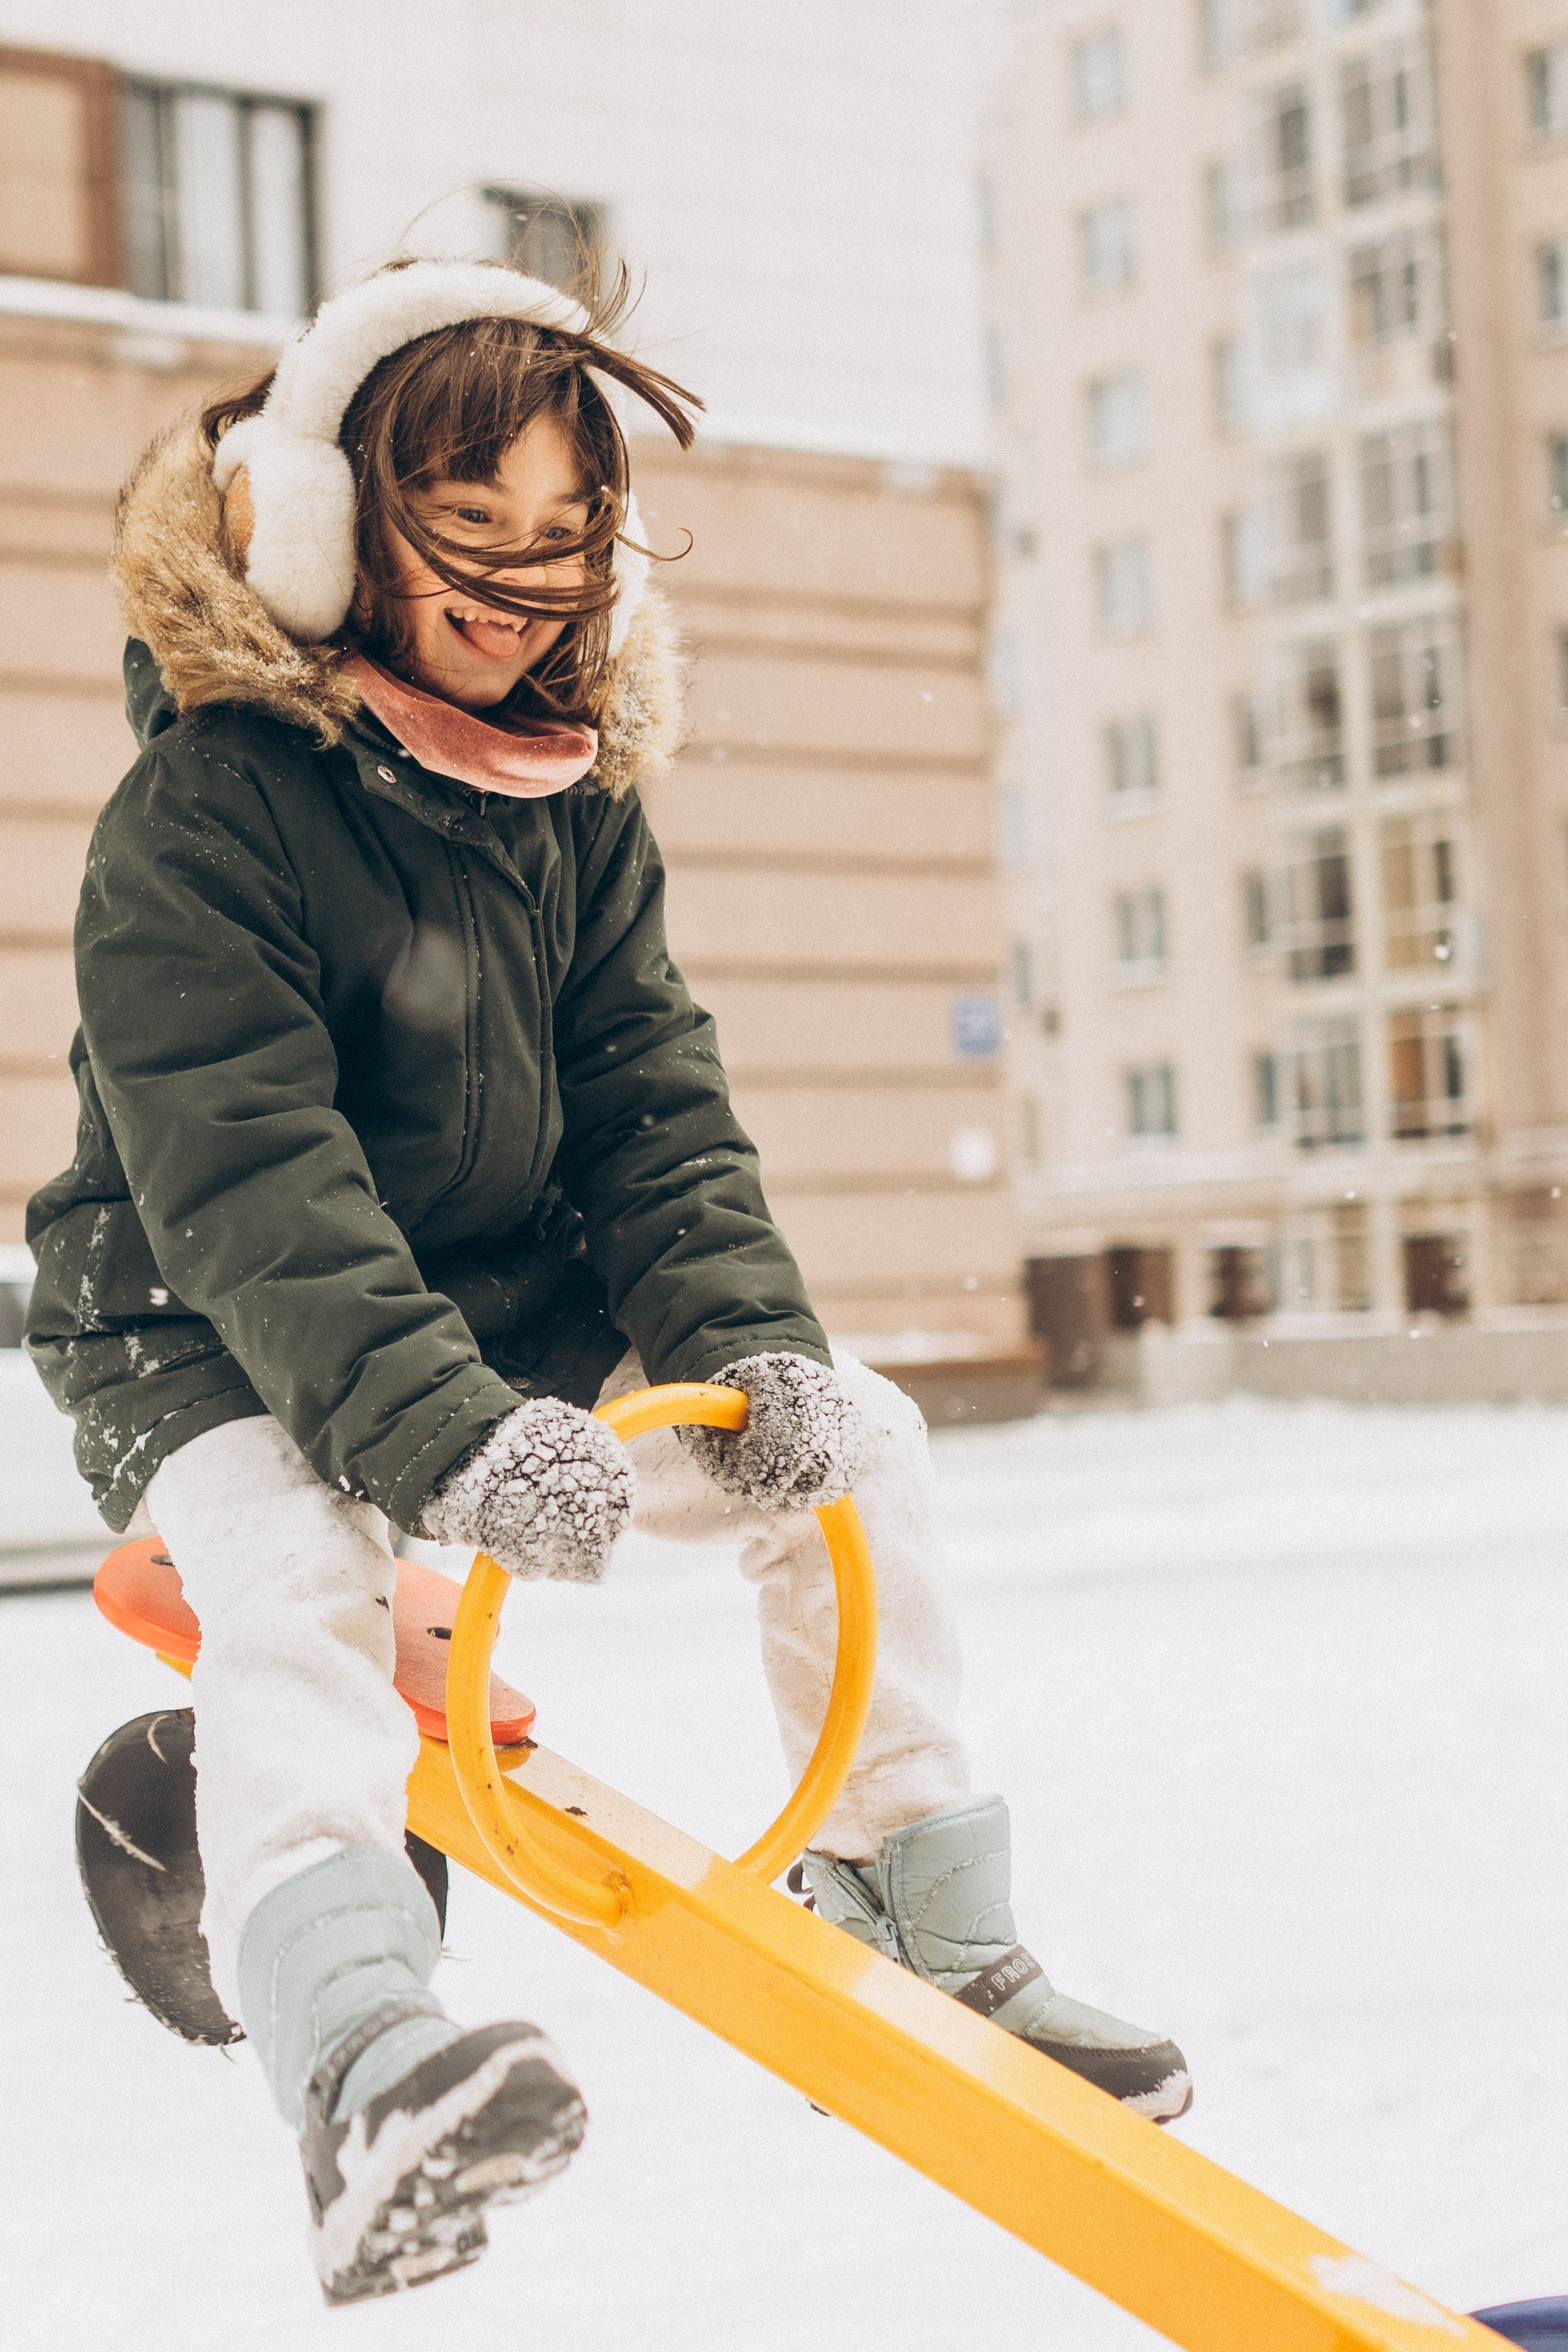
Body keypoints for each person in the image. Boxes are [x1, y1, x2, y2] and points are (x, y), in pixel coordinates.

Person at [26, 258, 1190, 2306]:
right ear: (323, 529)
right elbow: (255, 1182)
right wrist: (443, 1444)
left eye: (563, 549)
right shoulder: (199, 820)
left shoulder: (573, 807)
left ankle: (907, 1883)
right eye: (467, 548)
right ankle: (361, 2055)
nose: (518, 602)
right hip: (202, 1327)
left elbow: (656, 1102)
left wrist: (752, 1349)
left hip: (495, 1305)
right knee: (295, 1579)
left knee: (860, 1446)